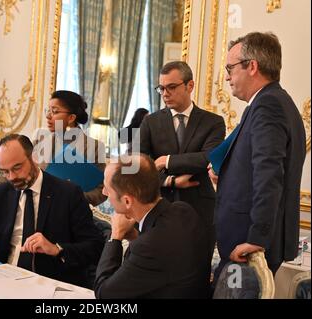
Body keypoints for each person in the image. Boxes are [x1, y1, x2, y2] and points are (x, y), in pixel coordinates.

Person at [0, 134, 105, 288]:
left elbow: (95, 247)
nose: (12, 177)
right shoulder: (0, 194)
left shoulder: (68, 194)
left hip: (50, 283)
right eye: (5, 171)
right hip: (6, 280)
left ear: (33, 158)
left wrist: (57, 249)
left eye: (17, 168)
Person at [208, 32, 306, 278]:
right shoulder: (275, 102)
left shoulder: (268, 105)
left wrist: (256, 238)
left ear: (252, 66)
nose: (227, 76)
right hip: (249, 241)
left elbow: (269, 174)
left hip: (248, 245)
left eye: (230, 68)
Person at [139, 61, 225, 271]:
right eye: (161, 88)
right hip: (158, 206)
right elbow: (138, 166)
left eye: (171, 87)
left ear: (190, 85)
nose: (165, 93)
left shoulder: (213, 122)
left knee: (195, 273)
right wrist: (171, 180)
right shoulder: (150, 121)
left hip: (200, 209)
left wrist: (165, 161)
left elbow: (208, 157)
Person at [94, 154, 210, 298]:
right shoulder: (183, 210)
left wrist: (115, 236)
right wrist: (134, 236)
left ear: (127, 201)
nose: (104, 192)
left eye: (107, 188)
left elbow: (103, 293)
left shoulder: (147, 247)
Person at [0, 90, 107, 209]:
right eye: (48, 111)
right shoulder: (40, 140)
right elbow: (15, 169)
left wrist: (75, 198)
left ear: (71, 118)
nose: (48, 117)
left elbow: (102, 189)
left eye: (55, 112)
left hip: (70, 213)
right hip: (31, 207)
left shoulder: (94, 147)